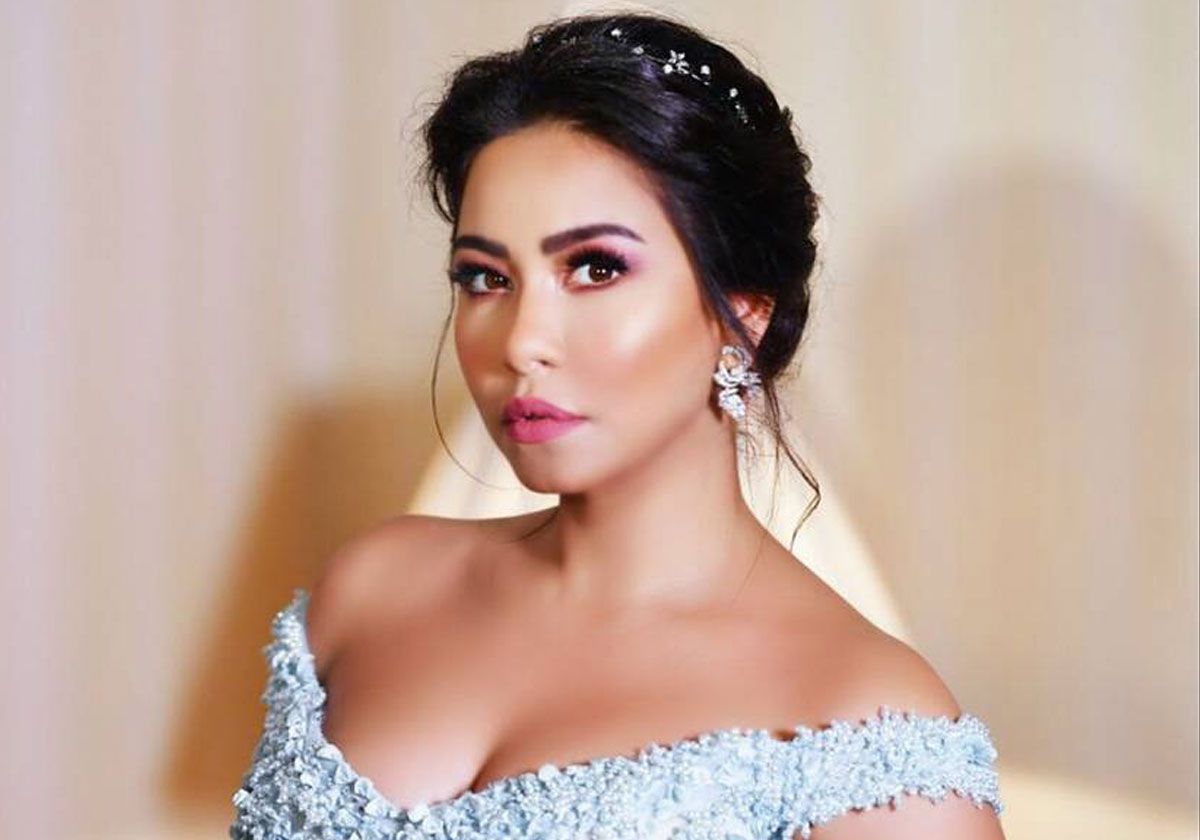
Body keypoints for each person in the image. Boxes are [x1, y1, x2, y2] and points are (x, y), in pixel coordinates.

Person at [229, 11, 1005, 839]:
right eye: (485, 277)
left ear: (742, 313)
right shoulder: (373, 591)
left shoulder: (869, 735)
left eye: (595, 268)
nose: (522, 342)